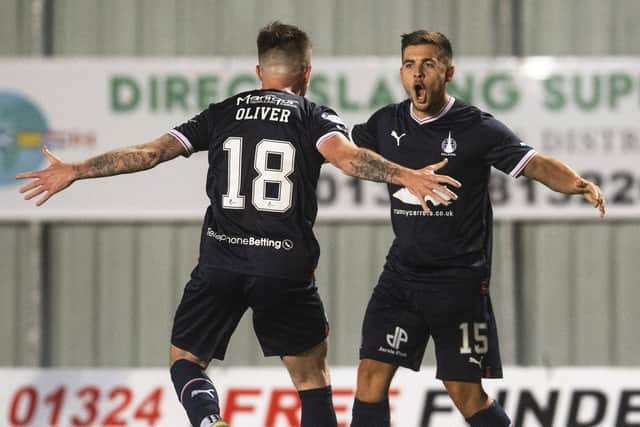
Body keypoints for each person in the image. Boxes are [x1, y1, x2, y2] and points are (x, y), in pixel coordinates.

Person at [16, 23, 461, 427]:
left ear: (258, 70)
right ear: (306, 73)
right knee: (310, 377)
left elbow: (150, 154)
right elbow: (346, 158)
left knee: (185, 359)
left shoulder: (222, 112)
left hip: (220, 264)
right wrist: (406, 174)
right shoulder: (315, 117)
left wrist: (75, 170)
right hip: (284, 269)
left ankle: (209, 420)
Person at [348, 30, 606, 427]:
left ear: (448, 71)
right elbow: (350, 154)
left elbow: (534, 164)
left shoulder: (476, 128)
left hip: (459, 281)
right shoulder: (385, 123)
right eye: (409, 65)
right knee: (370, 375)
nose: (417, 74)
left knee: (464, 392)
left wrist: (579, 183)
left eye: (428, 65)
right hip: (401, 275)